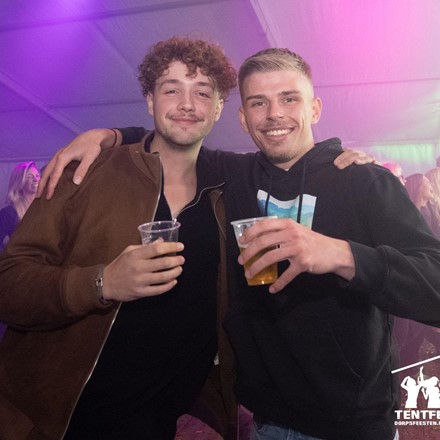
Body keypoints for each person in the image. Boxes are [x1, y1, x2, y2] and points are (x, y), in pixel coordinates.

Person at [38, 50, 440, 440]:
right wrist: (107, 136)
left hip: (352, 425)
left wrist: (342, 255)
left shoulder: (365, 182)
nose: (275, 114)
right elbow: (174, 133)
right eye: (258, 102)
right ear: (244, 118)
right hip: (267, 420)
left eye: (289, 99)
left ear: (315, 108)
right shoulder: (234, 172)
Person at [0, 37, 240, 440]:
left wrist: (348, 163)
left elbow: (292, 159)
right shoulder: (86, 171)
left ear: (217, 107)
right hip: (57, 420)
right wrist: (103, 283)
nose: (187, 104)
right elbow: (8, 284)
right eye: (171, 90)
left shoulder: (230, 186)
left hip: (159, 421)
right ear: (150, 101)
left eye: (202, 92)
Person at [0, 161, 40, 252]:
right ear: (20, 182)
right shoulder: (9, 213)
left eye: (37, 176)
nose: (35, 179)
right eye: (29, 177)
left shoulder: (45, 206)